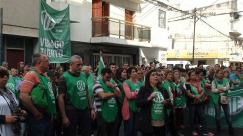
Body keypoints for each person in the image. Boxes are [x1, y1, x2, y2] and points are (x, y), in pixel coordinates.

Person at [19, 53, 56, 136]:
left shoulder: (43, 76)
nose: (49, 63)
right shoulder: (31, 74)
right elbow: (23, 96)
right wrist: (35, 112)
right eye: (47, 61)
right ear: (39, 62)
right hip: (38, 119)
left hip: (47, 117)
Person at [58, 55, 95, 136]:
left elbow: (87, 92)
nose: (80, 67)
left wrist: (91, 108)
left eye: (81, 64)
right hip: (71, 110)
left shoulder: (83, 75)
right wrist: (64, 117)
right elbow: (60, 98)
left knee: (87, 133)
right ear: (71, 65)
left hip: (85, 110)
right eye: (78, 65)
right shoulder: (64, 77)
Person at [136, 70, 170, 136]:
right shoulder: (143, 89)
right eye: (153, 75)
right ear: (148, 78)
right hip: (148, 122)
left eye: (157, 75)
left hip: (161, 122)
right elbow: (138, 103)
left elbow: (169, 105)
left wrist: (167, 103)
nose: (156, 76)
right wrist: (149, 98)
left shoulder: (163, 90)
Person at [186, 70, 214, 136]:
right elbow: (188, 93)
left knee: (202, 117)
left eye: (195, 75)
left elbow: (203, 90)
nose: (194, 76)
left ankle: (205, 131)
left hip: (199, 102)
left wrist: (199, 97)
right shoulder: (187, 84)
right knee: (192, 117)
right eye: (192, 75)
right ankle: (193, 130)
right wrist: (196, 96)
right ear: (189, 77)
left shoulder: (199, 82)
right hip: (192, 103)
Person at [93, 68, 120, 136]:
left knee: (113, 133)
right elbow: (103, 96)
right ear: (102, 75)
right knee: (102, 133)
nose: (108, 79)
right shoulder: (97, 84)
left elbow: (119, 94)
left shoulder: (112, 83)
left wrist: (113, 87)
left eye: (110, 77)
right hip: (101, 113)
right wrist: (114, 94)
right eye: (107, 77)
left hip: (112, 112)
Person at [0, 67, 27, 135]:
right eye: (2, 76)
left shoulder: (9, 91)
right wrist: (3, 119)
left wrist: (20, 111)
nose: (5, 78)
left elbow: (13, 106)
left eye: (7, 76)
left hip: (14, 130)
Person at [211, 69, 234, 135]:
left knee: (228, 115)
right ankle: (218, 130)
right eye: (220, 73)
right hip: (216, 99)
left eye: (222, 73)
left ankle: (231, 130)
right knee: (217, 117)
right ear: (217, 74)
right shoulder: (213, 81)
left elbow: (228, 87)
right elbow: (213, 90)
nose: (221, 74)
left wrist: (219, 89)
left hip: (224, 99)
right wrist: (223, 89)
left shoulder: (226, 80)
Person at [122, 67, 141, 136]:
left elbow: (142, 95)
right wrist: (137, 93)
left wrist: (134, 93)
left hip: (137, 108)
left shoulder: (139, 83)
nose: (135, 73)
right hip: (129, 108)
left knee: (135, 129)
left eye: (135, 71)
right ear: (129, 74)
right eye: (133, 72)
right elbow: (129, 96)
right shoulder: (126, 82)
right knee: (129, 129)